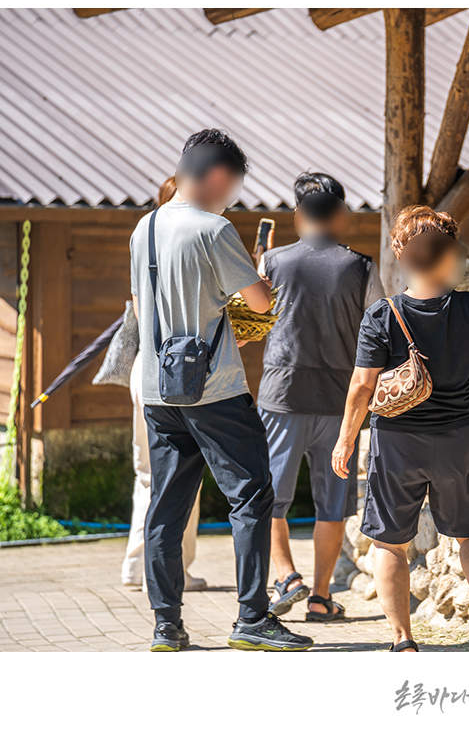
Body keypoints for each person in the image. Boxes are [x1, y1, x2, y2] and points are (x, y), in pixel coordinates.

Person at [129, 129, 313, 653]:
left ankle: (167, 625)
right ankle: (252, 618)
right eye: (232, 185)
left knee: (167, 506)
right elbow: (259, 302)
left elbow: (144, 309)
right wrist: (257, 276)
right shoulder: (215, 229)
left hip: (158, 389)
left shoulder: (144, 227)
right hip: (214, 386)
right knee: (251, 494)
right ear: (215, 176)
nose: (232, 196)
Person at [332, 205, 469, 652]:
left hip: (397, 442)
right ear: (450, 255)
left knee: (390, 543)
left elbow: (362, 386)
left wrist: (344, 441)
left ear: (401, 255)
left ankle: (403, 641)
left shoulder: (382, 315)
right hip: (462, 438)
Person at [258, 172, 384, 621]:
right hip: (339, 400)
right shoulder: (362, 267)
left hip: (281, 395)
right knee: (332, 505)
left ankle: (286, 576)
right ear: (340, 217)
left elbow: (248, 325)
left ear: (297, 217)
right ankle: (319, 596)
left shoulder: (272, 261)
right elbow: (379, 333)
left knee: (270, 496)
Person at [122, 176, 206, 593]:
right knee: (182, 470)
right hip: (178, 369)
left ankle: (136, 566)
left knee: (147, 473)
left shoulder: (144, 238)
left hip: (145, 366)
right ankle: (179, 571)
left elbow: (140, 310)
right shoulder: (195, 241)